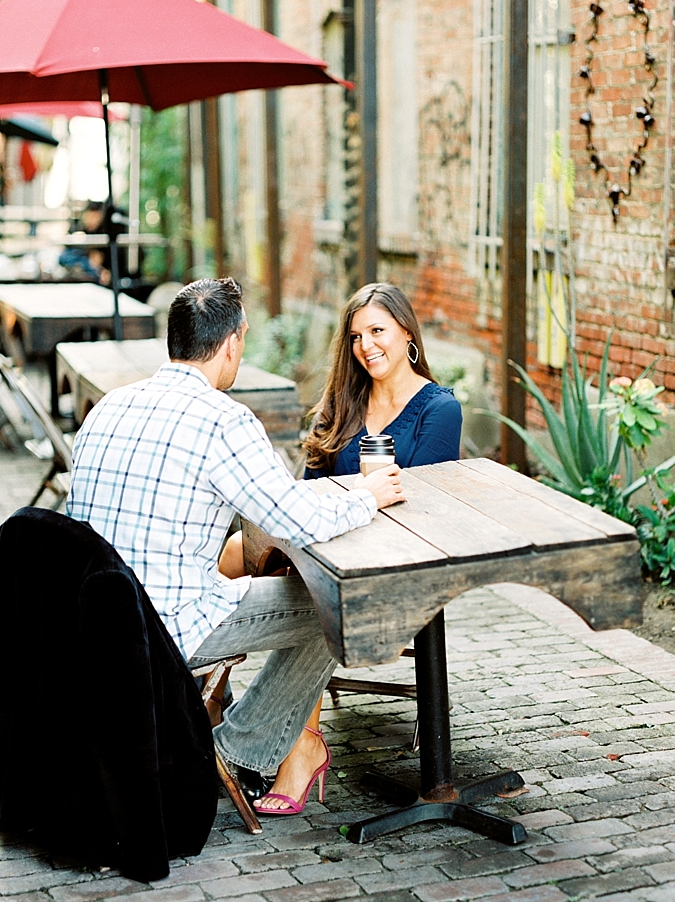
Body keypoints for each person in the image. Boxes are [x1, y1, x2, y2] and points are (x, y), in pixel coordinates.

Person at [67, 277, 405, 817]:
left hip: (90, 631)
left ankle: (230, 738)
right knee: (333, 602)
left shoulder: (108, 408)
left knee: (229, 574)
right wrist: (365, 496)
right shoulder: (224, 419)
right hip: (165, 629)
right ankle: (231, 751)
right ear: (231, 344)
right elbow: (294, 520)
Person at [303, 282, 462, 478]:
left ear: (407, 331)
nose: (365, 345)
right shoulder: (340, 405)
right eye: (356, 337)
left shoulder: (440, 410)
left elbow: (426, 498)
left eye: (377, 330)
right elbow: (312, 491)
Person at [58, 201, 130, 285]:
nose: (91, 220)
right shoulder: (79, 232)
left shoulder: (106, 236)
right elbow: (65, 257)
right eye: (90, 216)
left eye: (95, 217)